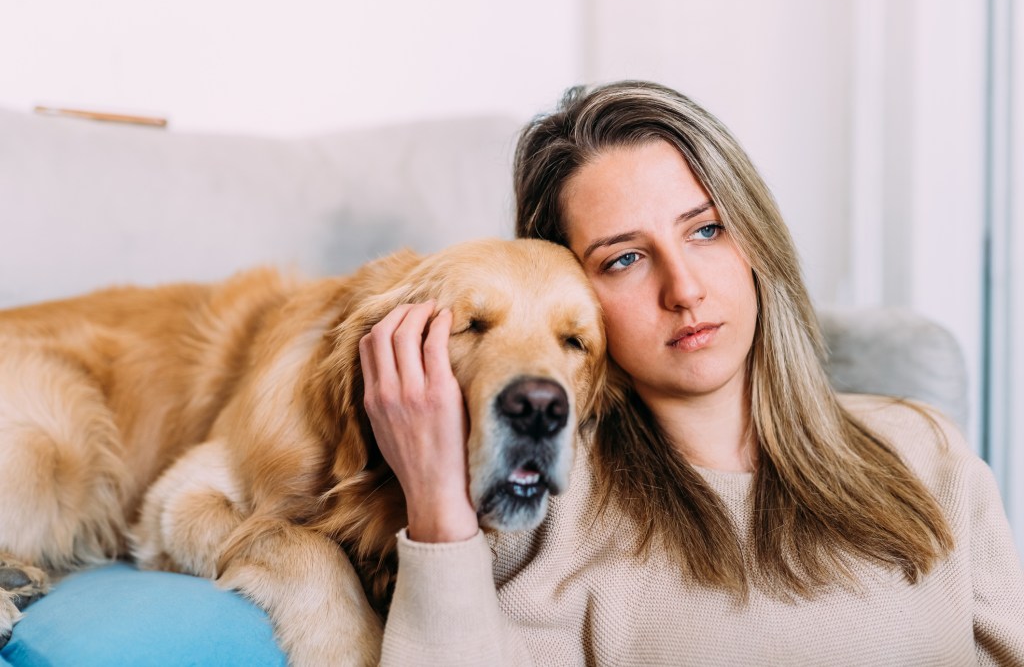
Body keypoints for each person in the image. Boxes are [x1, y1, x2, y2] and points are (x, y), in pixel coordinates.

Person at [358, 80, 1024, 664]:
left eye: (706, 231)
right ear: (571, 298)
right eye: (624, 259)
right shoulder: (548, 513)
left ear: (754, 236)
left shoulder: (924, 447)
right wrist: (438, 506)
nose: (685, 290)